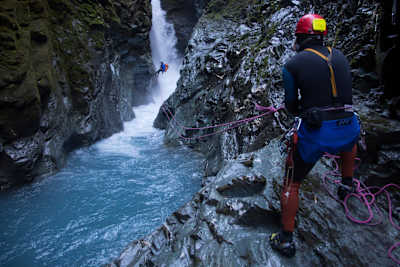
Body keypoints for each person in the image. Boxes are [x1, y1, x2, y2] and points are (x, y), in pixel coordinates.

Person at [269, 14, 361, 258]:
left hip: (319, 134)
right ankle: (347, 183)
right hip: (349, 127)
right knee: (350, 135)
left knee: (292, 180)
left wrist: (304, 109)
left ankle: (286, 238)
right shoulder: (340, 56)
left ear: (300, 37)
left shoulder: (292, 64)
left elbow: (290, 104)